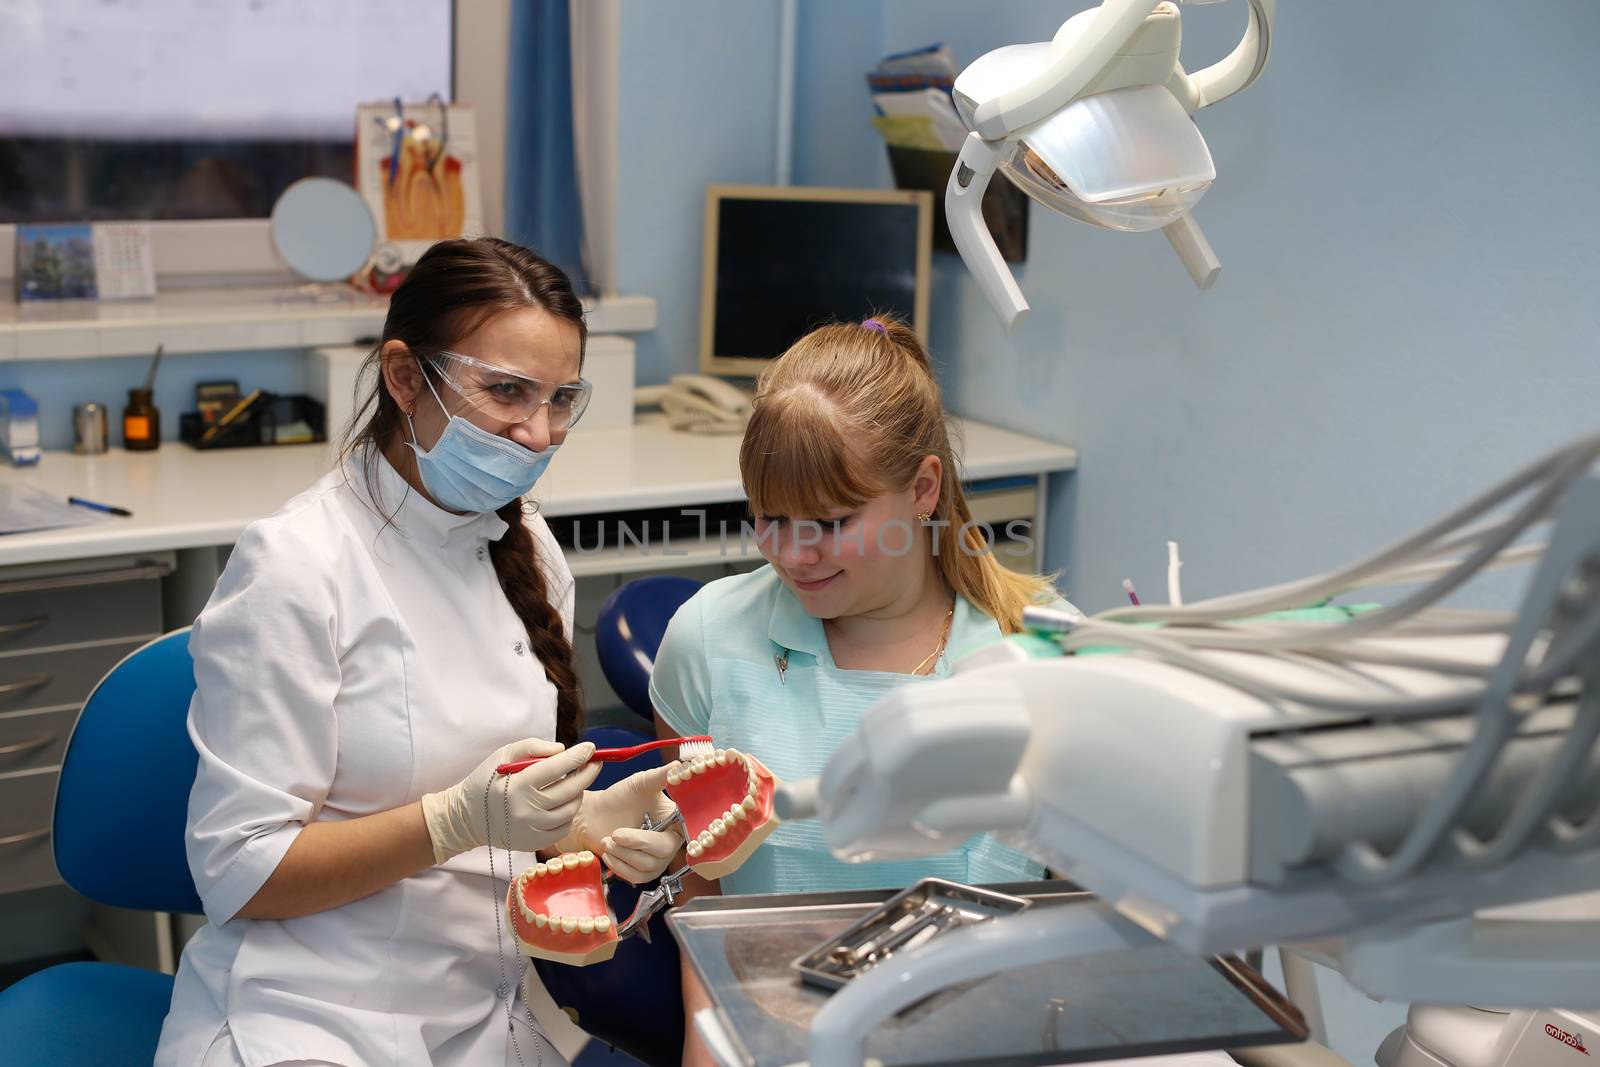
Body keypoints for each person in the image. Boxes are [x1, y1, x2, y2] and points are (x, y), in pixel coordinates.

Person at [156, 238, 682, 1067]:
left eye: (560, 399)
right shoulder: (299, 564)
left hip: (481, 1013)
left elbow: (500, 812)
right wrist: (455, 820)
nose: (537, 432)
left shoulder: (532, 551)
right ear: (405, 377)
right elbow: (240, 871)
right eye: (506, 390)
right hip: (308, 1014)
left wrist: (579, 830)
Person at [649, 315, 1084, 1064]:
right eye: (770, 517)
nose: (792, 553)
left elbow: (1083, 914)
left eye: (829, 521)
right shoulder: (708, 643)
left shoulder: (1040, 658)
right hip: (771, 1035)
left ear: (922, 488)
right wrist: (708, 1035)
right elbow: (700, 886)